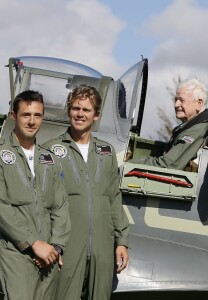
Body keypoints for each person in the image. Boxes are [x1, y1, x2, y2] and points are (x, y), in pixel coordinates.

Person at [44, 84, 130, 300]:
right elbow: (42, 204)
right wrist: (51, 245)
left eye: (86, 110)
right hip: (67, 247)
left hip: (102, 247)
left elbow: (113, 199)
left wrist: (121, 241)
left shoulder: (106, 152)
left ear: (96, 116)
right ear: (68, 110)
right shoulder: (50, 150)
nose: (80, 114)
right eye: (75, 108)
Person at [0, 90, 71, 300]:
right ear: (13, 115)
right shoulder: (2, 155)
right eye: (26, 115)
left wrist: (55, 247)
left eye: (37, 115)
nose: (32, 121)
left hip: (48, 257)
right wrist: (33, 243)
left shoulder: (49, 159)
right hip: (16, 254)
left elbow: (61, 206)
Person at [128, 78, 208, 170]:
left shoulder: (198, 129)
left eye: (182, 100)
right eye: (176, 99)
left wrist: (127, 163)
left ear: (199, 103)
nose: (176, 104)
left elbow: (168, 164)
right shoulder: (190, 126)